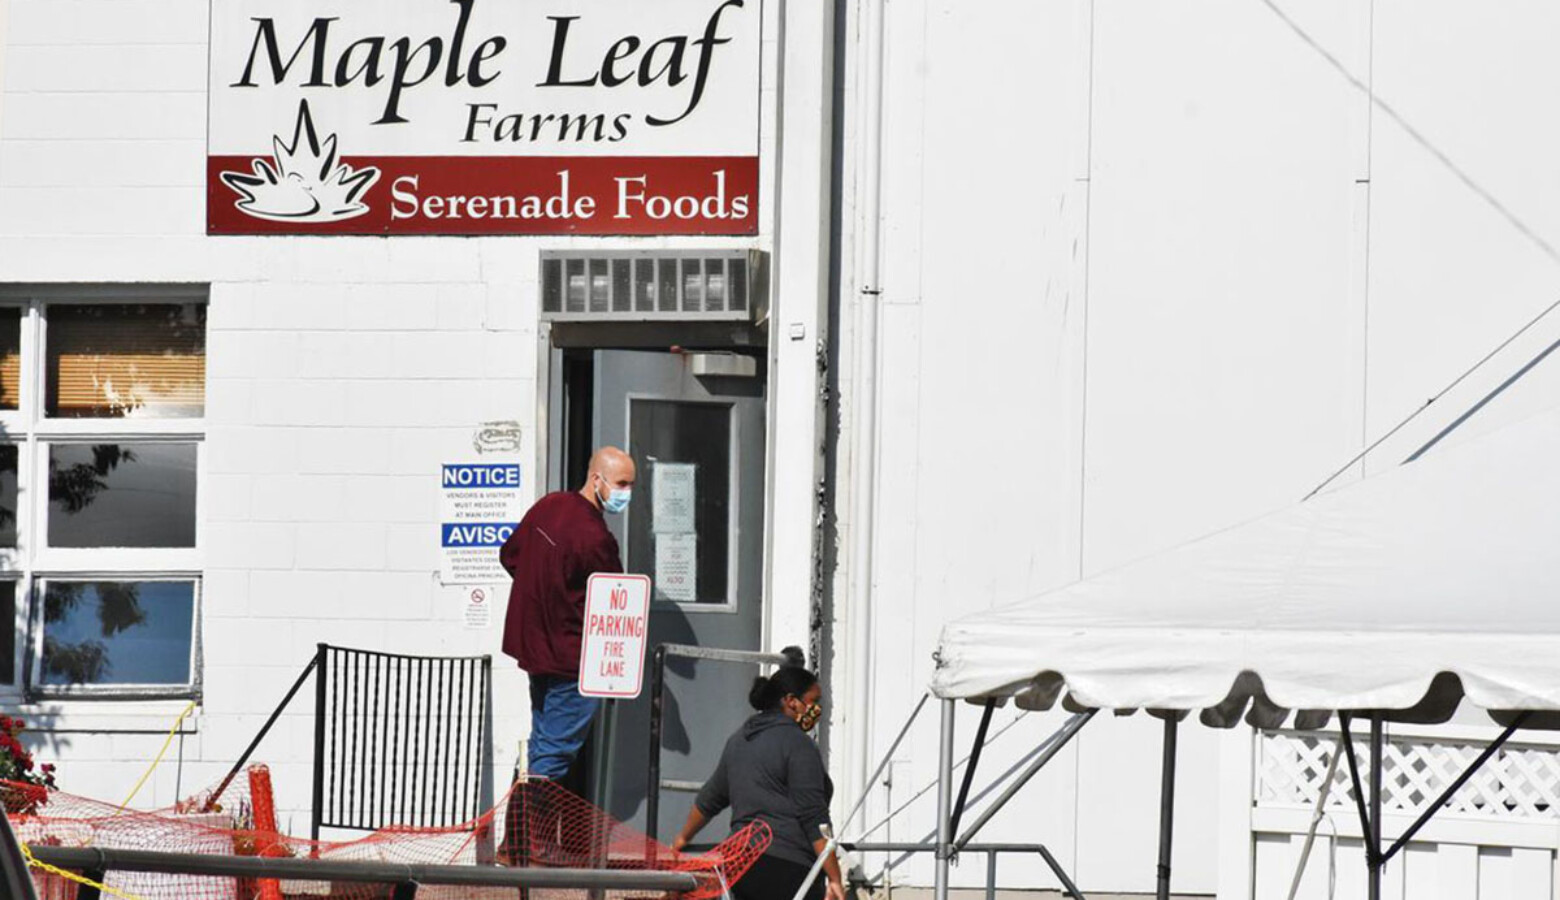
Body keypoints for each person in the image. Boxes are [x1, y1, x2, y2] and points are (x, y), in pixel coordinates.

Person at [499, 446, 636, 781]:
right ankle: (532, 832)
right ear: (596, 479)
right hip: (572, 659)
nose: (626, 493)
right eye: (621, 483)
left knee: (540, 745)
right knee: (553, 753)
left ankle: (518, 832)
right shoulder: (594, 537)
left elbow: (510, 555)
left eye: (631, 485)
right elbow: (613, 600)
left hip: (536, 651)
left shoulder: (548, 507)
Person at [672, 659, 844, 900]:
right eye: (814, 701)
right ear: (791, 701)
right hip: (790, 869)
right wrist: (835, 877)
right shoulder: (798, 745)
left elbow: (710, 799)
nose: (817, 710)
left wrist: (682, 838)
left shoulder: (739, 740)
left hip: (739, 869)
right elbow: (813, 816)